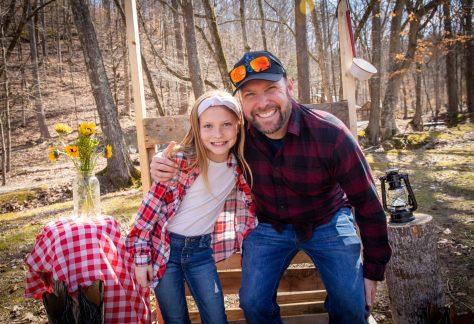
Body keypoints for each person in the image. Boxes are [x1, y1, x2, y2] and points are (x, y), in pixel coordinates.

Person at [150, 51, 392, 323]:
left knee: (352, 305)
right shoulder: (237, 136)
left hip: (327, 220)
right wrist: (163, 160)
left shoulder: (330, 133)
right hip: (269, 226)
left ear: (289, 87)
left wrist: (372, 271)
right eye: (250, 94)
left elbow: (368, 203)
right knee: (253, 302)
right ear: (241, 101)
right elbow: (204, 144)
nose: (262, 103)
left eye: (271, 89)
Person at [126, 90, 256, 324]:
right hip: (165, 250)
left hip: (201, 252)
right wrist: (142, 259)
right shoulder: (180, 162)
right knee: (175, 318)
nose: (217, 134)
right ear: (197, 127)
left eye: (226, 124)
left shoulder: (238, 167)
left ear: (238, 126)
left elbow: (249, 209)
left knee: (216, 316)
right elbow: (147, 215)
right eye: (208, 126)